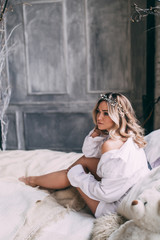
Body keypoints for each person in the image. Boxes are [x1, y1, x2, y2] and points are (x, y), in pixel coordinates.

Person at [19, 92, 150, 218]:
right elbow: (88, 154)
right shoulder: (129, 136)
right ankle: (36, 180)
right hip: (125, 192)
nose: (99, 117)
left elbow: (106, 195)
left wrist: (77, 176)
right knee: (84, 161)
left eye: (106, 113)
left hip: (113, 208)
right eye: (98, 111)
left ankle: (35, 181)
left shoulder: (110, 145)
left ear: (118, 116)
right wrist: (95, 134)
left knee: (73, 172)